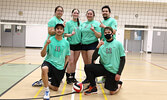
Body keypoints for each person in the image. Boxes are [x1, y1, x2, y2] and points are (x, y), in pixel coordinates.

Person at [84, 27, 125, 95]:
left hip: (113, 70)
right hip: (104, 68)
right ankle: (93, 87)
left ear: (112, 33)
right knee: (88, 67)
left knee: (111, 92)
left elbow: (123, 59)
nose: (107, 34)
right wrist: (98, 47)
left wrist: (119, 73)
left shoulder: (118, 44)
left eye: (108, 32)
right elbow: (94, 58)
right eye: (105, 33)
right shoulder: (102, 45)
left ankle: (119, 84)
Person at [32, 6, 65, 87]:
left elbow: (62, 32)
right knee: (48, 60)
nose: (60, 12)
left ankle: (54, 78)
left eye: (61, 11)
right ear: (55, 12)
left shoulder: (61, 20)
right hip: (51, 42)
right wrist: (58, 29)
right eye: (58, 10)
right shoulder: (53, 20)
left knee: (58, 60)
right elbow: (50, 32)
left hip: (59, 43)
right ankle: (42, 79)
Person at [41, 24, 70, 99]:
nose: (59, 30)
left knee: (55, 88)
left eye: (61, 29)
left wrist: (64, 66)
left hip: (59, 66)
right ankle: (46, 90)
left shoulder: (66, 43)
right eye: (57, 28)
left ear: (63, 31)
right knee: (44, 69)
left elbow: (67, 56)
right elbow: (42, 55)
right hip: (49, 62)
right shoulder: (50, 40)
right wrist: (46, 45)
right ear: (55, 30)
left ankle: (45, 82)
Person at [98, 5, 118, 83]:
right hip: (103, 44)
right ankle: (104, 77)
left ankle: (113, 78)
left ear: (109, 12)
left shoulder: (113, 21)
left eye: (106, 11)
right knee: (103, 61)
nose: (104, 12)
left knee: (111, 62)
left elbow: (114, 31)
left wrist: (104, 26)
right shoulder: (102, 22)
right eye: (103, 11)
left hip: (111, 44)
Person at [80, 9, 101, 84]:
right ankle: (88, 78)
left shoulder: (96, 24)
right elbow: (81, 34)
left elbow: (99, 35)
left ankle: (93, 78)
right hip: (83, 45)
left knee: (91, 62)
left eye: (91, 14)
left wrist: (94, 30)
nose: (89, 15)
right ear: (86, 15)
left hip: (92, 44)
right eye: (88, 14)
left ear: (93, 15)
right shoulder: (83, 24)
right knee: (86, 63)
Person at [64, 8, 82, 84]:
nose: (75, 14)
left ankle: (73, 77)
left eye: (77, 13)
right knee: (70, 61)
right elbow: (64, 34)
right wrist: (70, 34)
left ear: (78, 15)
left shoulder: (80, 23)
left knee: (75, 61)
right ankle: (68, 77)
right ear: (72, 14)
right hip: (70, 44)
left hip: (78, 45)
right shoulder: (68, 23)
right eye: (74, 13)